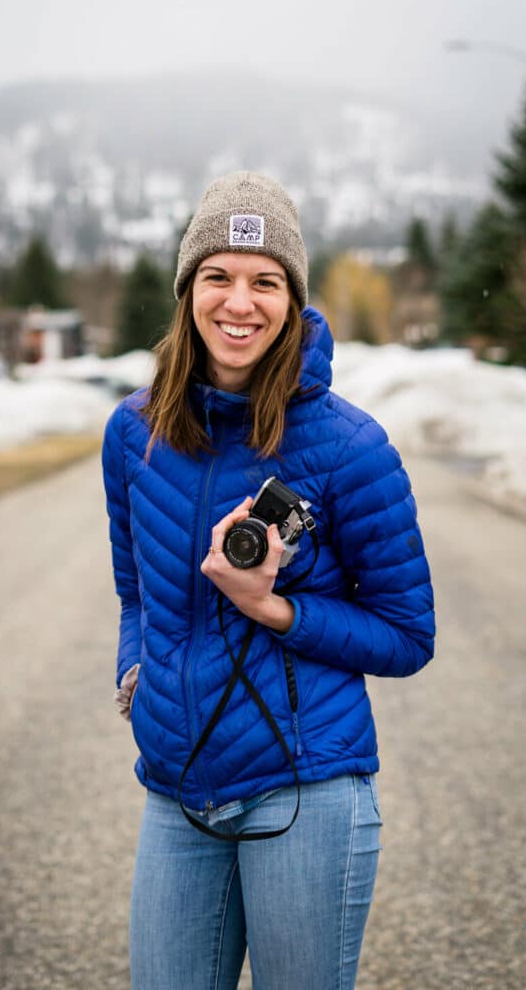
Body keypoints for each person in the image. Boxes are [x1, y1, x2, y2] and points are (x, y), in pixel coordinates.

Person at [102, 171, 435, 990]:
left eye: (265, 281)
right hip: (178, 794)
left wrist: (274, 608)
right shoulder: (132, 434)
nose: (238, 302)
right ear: (188, 292)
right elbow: (135, 591)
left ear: (292, 299)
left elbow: (407, 636)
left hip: (308, 788)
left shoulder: (349, 447)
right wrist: (135, 672)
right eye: (216, 276)